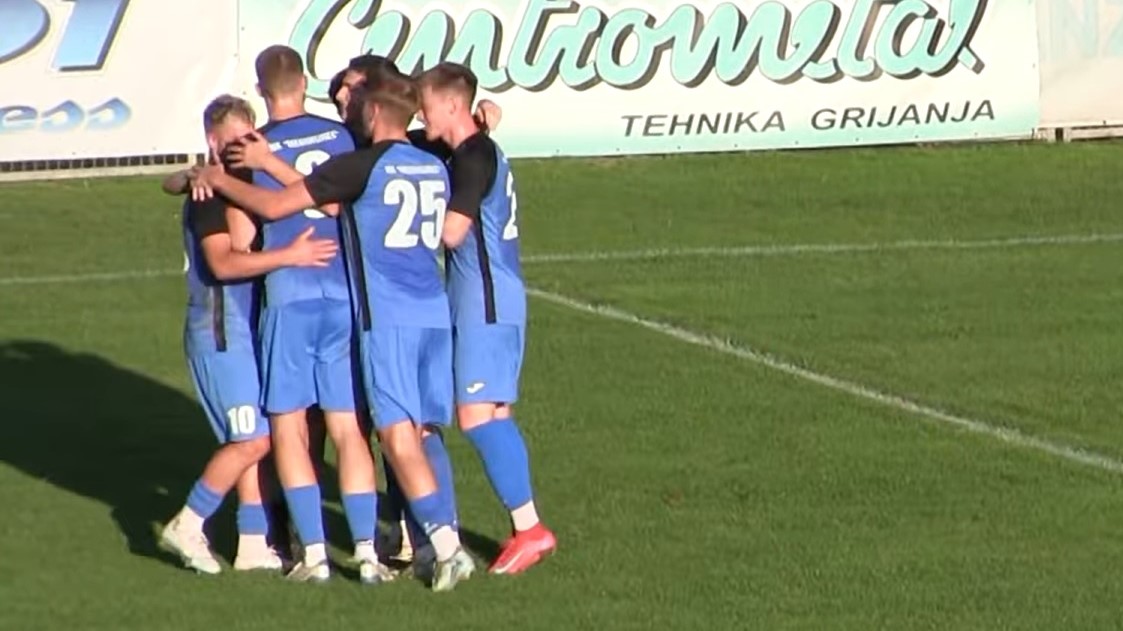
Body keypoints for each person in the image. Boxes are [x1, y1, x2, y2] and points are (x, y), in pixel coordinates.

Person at [193, 75, 476, 593]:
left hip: (384, 318)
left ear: (374, 115)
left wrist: (222, 175)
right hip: (434, 314)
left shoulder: (361, 166)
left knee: (382, 435)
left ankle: (438, 547)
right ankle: (380, 550)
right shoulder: (432, 164)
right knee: (409, 431)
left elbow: (278, 208)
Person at [160, 94, 338, 575]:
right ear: (213, 141)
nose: (242, 148)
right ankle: (188, 523)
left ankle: (253, 542)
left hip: (243, 329)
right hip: (221, 331)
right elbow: (222, 263)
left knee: (257, 435)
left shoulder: (235, 185)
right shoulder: (209, 195)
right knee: (252, 441)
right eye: (233, 141)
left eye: (249, 138)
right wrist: (290, 257)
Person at [232, 45, 385, 584]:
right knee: (348, 428)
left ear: (261, 91)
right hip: (342, 294)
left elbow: (243, 237)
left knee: (290, 427)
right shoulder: (341, 136)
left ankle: (314, 555)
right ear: (304, 83)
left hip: (289, 295)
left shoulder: (251, 148)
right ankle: (367, 552)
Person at [416, 62, 556, 575]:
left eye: (427, 107)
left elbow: (452, 233)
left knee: (476, 415)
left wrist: (399, 224)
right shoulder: (475, 149)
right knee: (494, 415)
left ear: (453, 105)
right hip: (497, 297)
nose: (421, 115)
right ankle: (527, 529)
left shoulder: (473, 158)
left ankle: (530, 529)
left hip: (486, 300)